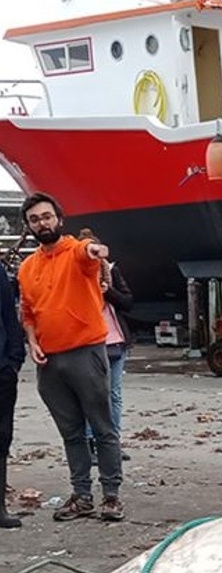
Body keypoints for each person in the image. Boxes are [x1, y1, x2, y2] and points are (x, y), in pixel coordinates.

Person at [17, 192, 125, 522]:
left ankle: (111, 495)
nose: (42, 223)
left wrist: (95, 249)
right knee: (71, 432)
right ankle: (82, 495)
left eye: (47, 217)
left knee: (103, 426)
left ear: (59, 220)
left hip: (86, 352)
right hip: (50, 360)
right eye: (35, 220)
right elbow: (28, 312)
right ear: (29, 226)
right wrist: (32, 343)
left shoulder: (75, 253)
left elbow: (87, 252)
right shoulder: (27, 267)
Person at [79, 229, 134, 463]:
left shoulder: (111, 271)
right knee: (93, 396)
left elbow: (128, 302)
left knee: (114, 395)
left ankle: (112, 443)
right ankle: (92, 443)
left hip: (116, 342)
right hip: (91, 343)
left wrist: (107, 290)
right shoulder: (77, 276)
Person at [0, 266, 25, 529]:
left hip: (2, 368)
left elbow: (9, 313)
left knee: (2, 435)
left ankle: (0, 509)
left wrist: (14, 359)